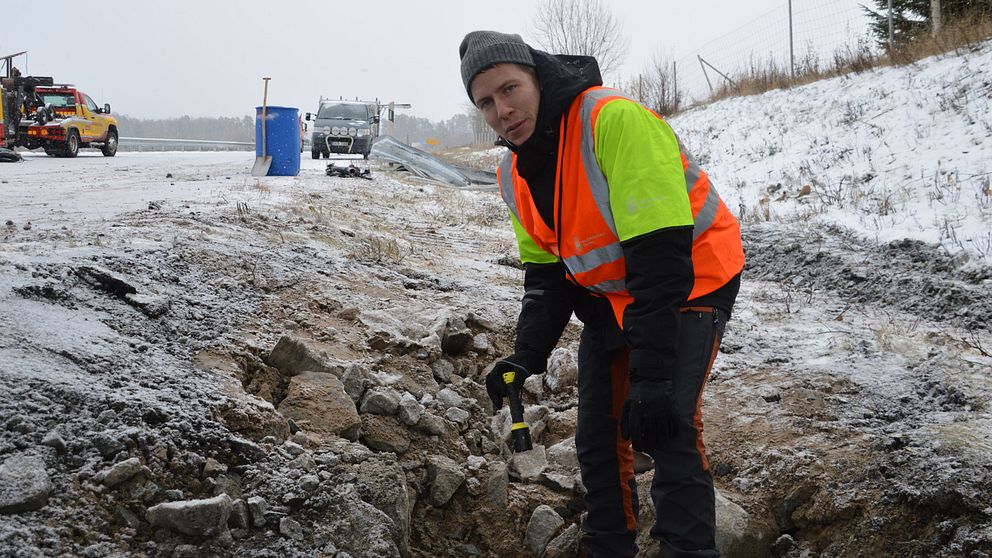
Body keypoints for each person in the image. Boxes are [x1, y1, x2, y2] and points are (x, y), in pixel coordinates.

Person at [459, 31, 745, 558]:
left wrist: (652, 374)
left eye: (509, 88)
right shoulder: (514, 172)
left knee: (667, 423)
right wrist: (525, 357)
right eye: (485, 102)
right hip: (616, 297)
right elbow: (547, 278)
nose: (502, 110)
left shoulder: (611, 120)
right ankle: (608, 548)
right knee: (597, 436)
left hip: (692, 277)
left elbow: (660, 260)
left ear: (536, 78)